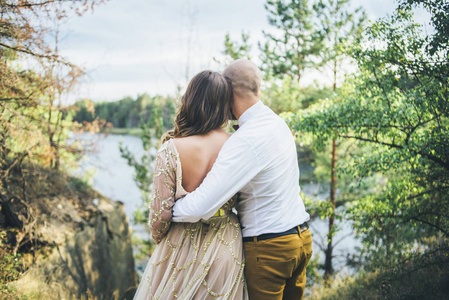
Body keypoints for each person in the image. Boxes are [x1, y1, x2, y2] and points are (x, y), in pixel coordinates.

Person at [172, 59, 312, 300]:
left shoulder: (246, 139)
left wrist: (168, 210)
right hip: (301, 240)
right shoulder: (278, 123)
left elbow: (204, 205)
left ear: (227, 91)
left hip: (270, 249)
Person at [133, 70, 248, 300]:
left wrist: (165, 243)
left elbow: (159, 216)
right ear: (224, 104)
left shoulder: (171, 149)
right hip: (226, 243)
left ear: (190, 99)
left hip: (180, 245)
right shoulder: (239, 144)